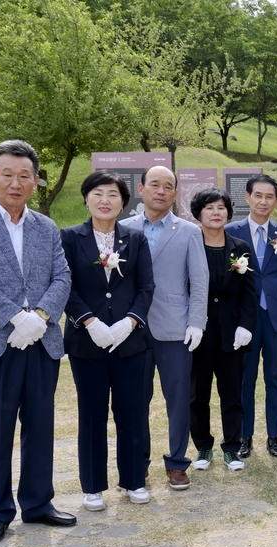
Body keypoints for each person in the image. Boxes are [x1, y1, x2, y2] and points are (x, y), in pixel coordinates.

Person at [0, 140, 74, 543]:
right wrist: (12, 316)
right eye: (7, 174)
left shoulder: (46, 226)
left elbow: (62, 276)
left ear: (36, 181)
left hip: (41, 341)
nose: (15, 182)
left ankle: (38, 504)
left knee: (40, 425)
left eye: (25, 175)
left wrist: (38, 318)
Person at [62, 171, 154, 510]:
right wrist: (88, 321)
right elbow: (64, 286)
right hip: (87, 343)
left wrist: (130, 322)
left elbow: (146, 287)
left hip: (130, 342)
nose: (105, 200)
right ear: (86, 198)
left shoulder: (135, 238)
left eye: (113, 194)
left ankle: (132, 480)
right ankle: (92, 485)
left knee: (131, 412)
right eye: (98, 193)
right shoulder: (70, 237)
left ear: (123, 201)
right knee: (92, 413)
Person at [120, 166, 207, 491]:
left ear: (174, 195)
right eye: (153, 184)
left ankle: (176, 463)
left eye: (167, 186)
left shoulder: (188, 231)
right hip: (132, 328)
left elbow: (199, 280)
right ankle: (138, 464)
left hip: (175, 328)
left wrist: (197, 321)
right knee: (135, 400)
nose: (160, 190)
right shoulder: (123, 227)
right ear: (141, 189)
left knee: (179, 398)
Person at [225, 175, 277, 458]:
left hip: (276, 317)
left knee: (275, 377)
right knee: (245, 379)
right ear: (247, 197)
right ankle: (245, 437)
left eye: (269, 197)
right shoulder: (230, 231)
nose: (263, 201)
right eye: (258, 195)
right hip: (244, 319)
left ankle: (274, 437)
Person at [188, 189, 257, 472]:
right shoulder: (190, 244)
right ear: (198, 213)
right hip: (198, 331)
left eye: (221, 207)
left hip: (231, 332)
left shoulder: (240, 247)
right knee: (197, 394)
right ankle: (203, 447)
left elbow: (250, 292)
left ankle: (232, 448)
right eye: (209, 207)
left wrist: (245, 325)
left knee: (232, 394)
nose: (216, 212)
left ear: (228, 212)